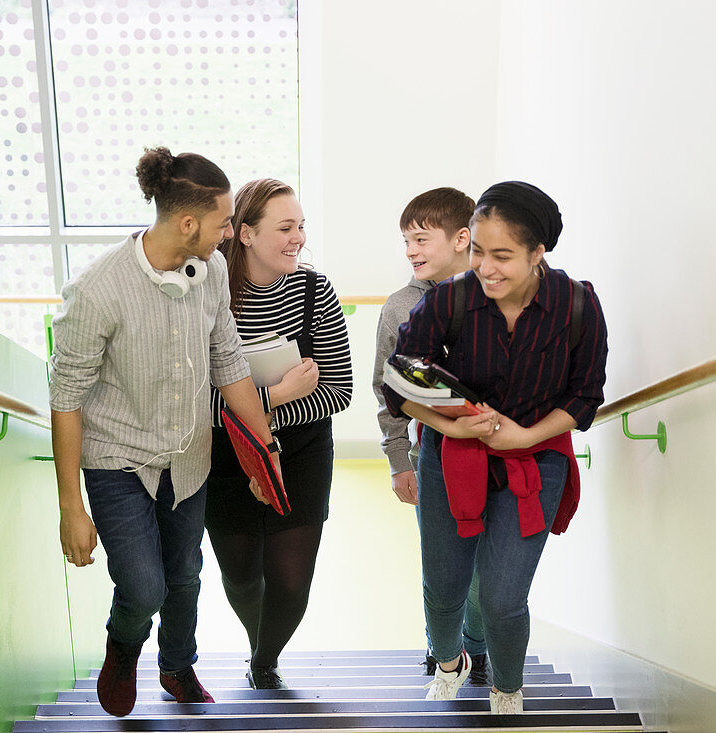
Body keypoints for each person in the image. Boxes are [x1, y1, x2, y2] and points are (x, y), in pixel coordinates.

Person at [49, 147, 281, 718]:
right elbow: (66, 398)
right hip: (116, 458)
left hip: (189, 456)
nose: (229, 232)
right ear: (187, 223)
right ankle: (123, 647)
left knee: (184, 577)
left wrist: (265, 453)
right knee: (145, 589)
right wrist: (70, 507)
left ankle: (177, 667)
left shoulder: (213, 272)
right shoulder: (98, 289)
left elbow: (228, 362)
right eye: (224, 222)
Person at [382, 181, 608, 715]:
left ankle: (507, 690)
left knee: (503, 598)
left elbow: (585, 394)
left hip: (536, 460)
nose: (486, 268)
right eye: (478, 251)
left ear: (538, 253)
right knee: (444, 587)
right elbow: (399, 379)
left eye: (503, 256)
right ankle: (447, 660)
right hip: (451, 456)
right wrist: (454, 429)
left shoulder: (576, 306)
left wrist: (526, 436)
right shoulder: (449, 299)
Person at [207, 178, 353, 689]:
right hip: (225, 455)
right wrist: (277, 396)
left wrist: (259, 415)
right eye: (286, 227)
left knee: (291, 584)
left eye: (302, 227)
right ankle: (257, 637)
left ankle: (263, 659)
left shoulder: (316, 290)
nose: (299, 238)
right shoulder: (209, 291)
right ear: (245, 234)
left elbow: (338, 390)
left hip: (302, 450)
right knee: (241, 573)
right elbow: (195, 403)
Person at [371, 187, 490, 684]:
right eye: (405, 241)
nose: (411, 251)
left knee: (486, 568)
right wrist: (400, 459)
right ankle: (440, 646)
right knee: (441, 559)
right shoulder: (401, 306)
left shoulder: (495, 294)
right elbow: (387, 387)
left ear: (462, 238)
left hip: (498, 453)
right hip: (433, 455)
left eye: (421, 239)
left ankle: (477, 646)